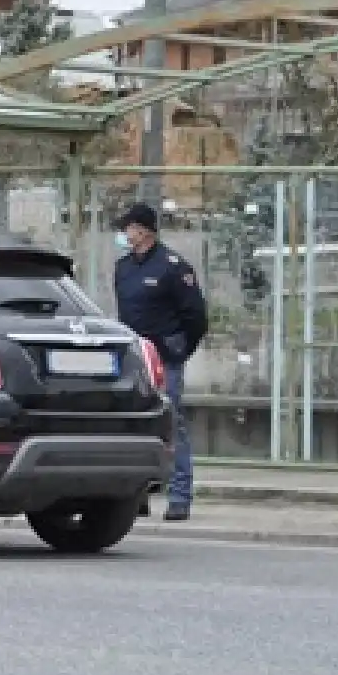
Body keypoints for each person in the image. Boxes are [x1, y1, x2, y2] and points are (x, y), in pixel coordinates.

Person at [112, 202, 208, 521]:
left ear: (143, 231)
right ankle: (135, 496)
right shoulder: (124, 267)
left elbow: (195, 317)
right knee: (132, 429)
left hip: (164, 362)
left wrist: (178, 349)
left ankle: (179, 497)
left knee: (171, 427)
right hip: (133, 362)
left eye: (128, 227)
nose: (125, 233)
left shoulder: (173, 267)